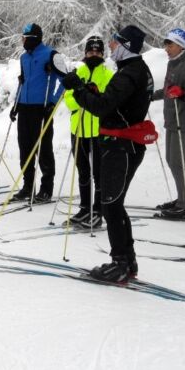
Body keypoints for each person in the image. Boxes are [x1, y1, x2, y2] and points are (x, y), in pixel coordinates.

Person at [62, 25, 155, 282]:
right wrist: (88, 90)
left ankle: (120, 263)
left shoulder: (130, 73)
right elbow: (114, 102)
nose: (110, 46)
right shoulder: (133, 70)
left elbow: (103, 107)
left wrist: (79, 91)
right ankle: (128, 259)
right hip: (123, 143)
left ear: (126, 46)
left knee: (110, 205)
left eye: (115, 42)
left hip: (121, 145)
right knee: (115, 203)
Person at [152, 28, 185, 218]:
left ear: (180, 46)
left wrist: (183, 95)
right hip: (172, 120)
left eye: (170, 45)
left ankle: (184, 204)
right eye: (166, 44)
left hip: (184, 121)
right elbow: (168, 89)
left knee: (176, 162)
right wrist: (150, 96)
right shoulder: (172, 63)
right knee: (172, 160)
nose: (167, 48)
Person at [62, 36, 114, 227]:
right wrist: (82, 94)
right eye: (90, 52)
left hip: (98, 130)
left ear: (102, 54)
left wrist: (94, 96)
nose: (94, 54)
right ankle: (85, 208)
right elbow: (68, 101)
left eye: (97, 52)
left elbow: (109, 102)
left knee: (99, 172)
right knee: (83, 171)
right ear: (85, 53)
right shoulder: (79, 72)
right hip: (79, 129)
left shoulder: (108, 75)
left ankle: (98, 210)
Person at [13, 23, 64, 201]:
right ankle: (28, 187)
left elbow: (65, 80)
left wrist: (53, 102)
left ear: (33, 38)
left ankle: (46, 189)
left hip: (41, 109)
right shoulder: (23, 58)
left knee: (43, 150)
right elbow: (23, 81)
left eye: (25, 38)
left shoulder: (51, 55)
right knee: (25, 149)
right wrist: (15, 105)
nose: (23, 41)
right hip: (25, 109)